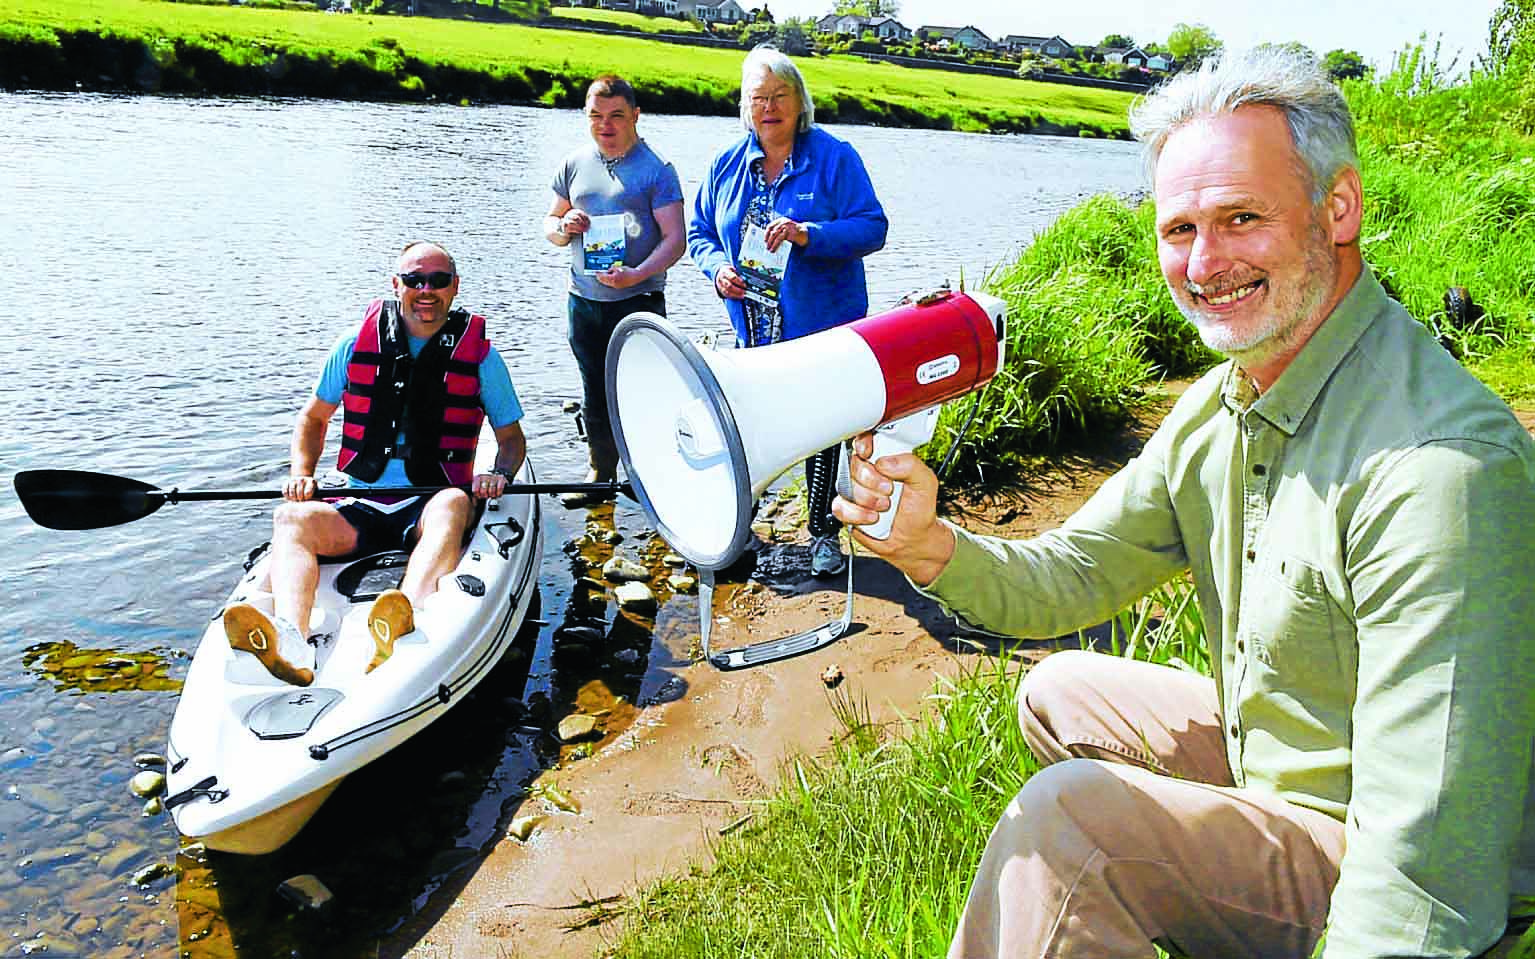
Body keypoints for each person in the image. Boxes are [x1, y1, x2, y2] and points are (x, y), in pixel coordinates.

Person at [833, 48, 1535, 958]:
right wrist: (928, 545)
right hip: (1289, 775)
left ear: (1339, 208)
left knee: (1072, 825)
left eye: (1242, 219)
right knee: (1058, 693)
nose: (1204, 263)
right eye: (1179, 229)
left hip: (1399, 854)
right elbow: (1072, 572)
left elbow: (1424, 877)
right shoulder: (1224, 400)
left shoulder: (1439, 473)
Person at [223, 241, 527, 686]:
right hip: (357, 499)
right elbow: (312, 419)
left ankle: (403, 618)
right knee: (290, 517)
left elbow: (511, 441)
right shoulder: (354, 344)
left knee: (451, 506)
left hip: (428, 501)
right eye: (414, 280)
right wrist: (301, 476)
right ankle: (291, 637)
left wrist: (499, 475)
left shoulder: (481, 356)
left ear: (455, 288)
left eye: (438, 281)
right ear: (396, 285)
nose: (426, 290)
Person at [688, 44, 888, 577]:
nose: (769, 107)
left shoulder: (834, 157)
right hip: (752, 330)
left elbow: (873, 227)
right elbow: (700, 233)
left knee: (822, 429)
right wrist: (716, 271)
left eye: (780, 96)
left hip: (823, 327)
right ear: (745, 107)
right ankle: (737, 526)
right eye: (759, 98)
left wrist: (810, 234)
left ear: (801, 103)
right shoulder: (726, 164)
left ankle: (823, 532)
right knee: (749, 424)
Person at [545, 74, 684, 508]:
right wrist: (564, 228)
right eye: (596, 116)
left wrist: (638, 273)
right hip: (583, 300)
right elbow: (549, 224)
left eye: (616, 116)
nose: (605, 125)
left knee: (643, 389)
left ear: (635, 116)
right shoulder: (573, 163)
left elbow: (675, 239)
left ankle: (657, 481)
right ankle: (600, 476)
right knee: (593, 388)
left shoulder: (657, 170)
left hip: (638, 299)